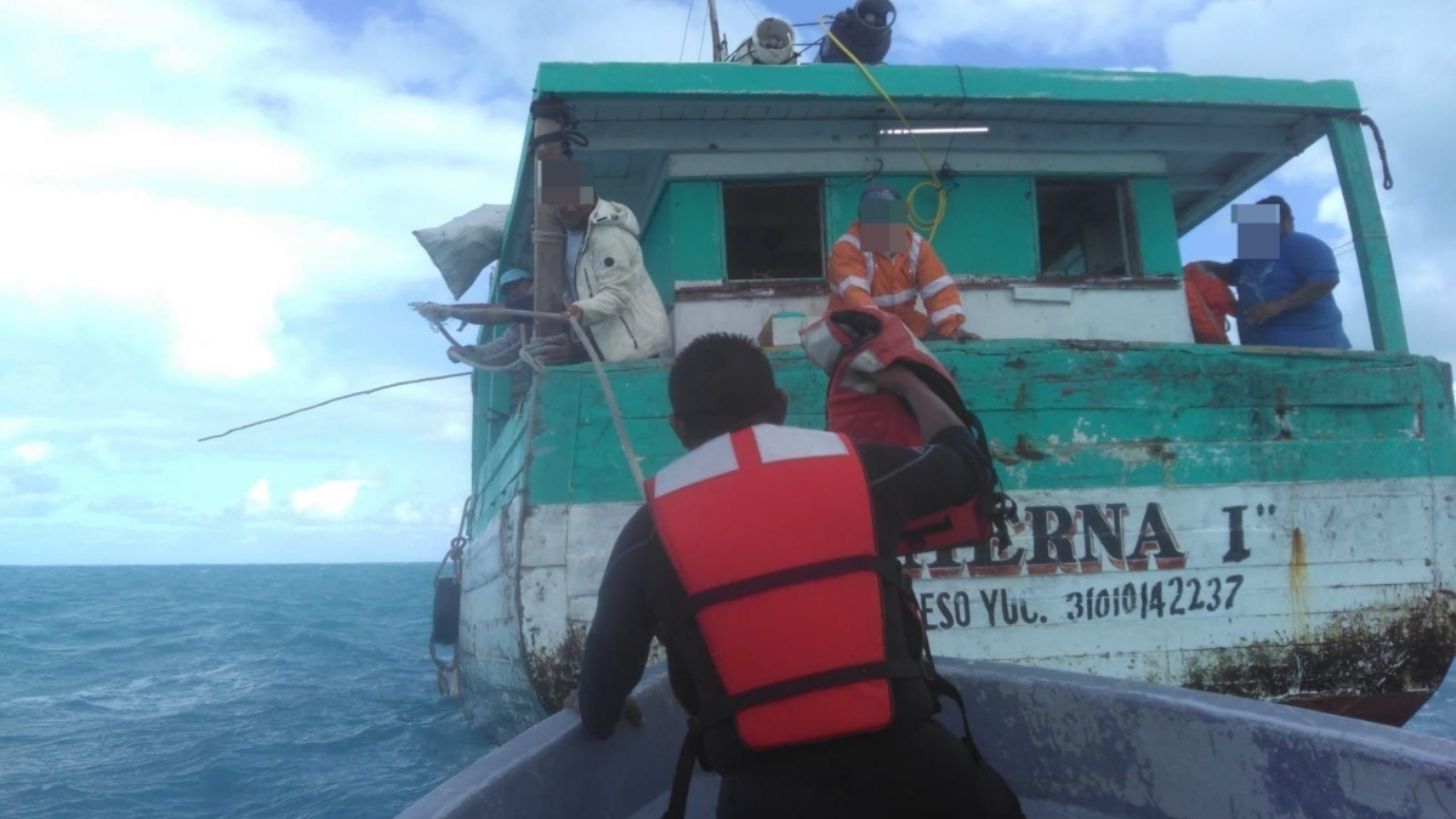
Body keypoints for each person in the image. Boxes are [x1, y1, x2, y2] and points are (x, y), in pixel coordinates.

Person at [571, 333, 1023, 819]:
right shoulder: (860, 469)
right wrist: (906, 381)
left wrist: (589, 701)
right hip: (917, 771)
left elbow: (599, 707)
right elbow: (964, 462)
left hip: (765, 795)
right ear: (781, 405)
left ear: (679, 428)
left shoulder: (646, 534)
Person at [1196, 195, 1351, 349]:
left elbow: (1325, 281)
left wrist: (1279, 305)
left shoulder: (1301, 243)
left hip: (1316, 352)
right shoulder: (1254, 251)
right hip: (1262, 354)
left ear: (1287, 222)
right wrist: (1201, 267)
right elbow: (1235, 273)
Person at [826, 185, 974, 341]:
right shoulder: (847, 248)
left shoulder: (917, 246)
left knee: (950, 339)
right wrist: (883, 334)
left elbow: (939, 290)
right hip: (854, 332)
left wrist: (950, 329)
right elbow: (857, 299)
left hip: (904, 327)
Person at [555, 194, 671, 361]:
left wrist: (581, 310)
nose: (570, 207)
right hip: (604, 341)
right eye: (561, 200)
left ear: (593, 196)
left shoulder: (607, 236)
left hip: (634, 347)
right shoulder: (567, 236)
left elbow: (617, 294)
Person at [1183, 261, 1237, 344]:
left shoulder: (1190, 273)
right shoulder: (1210, 280)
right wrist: (1220, 341)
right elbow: (1237, 309)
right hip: (1205, 340)